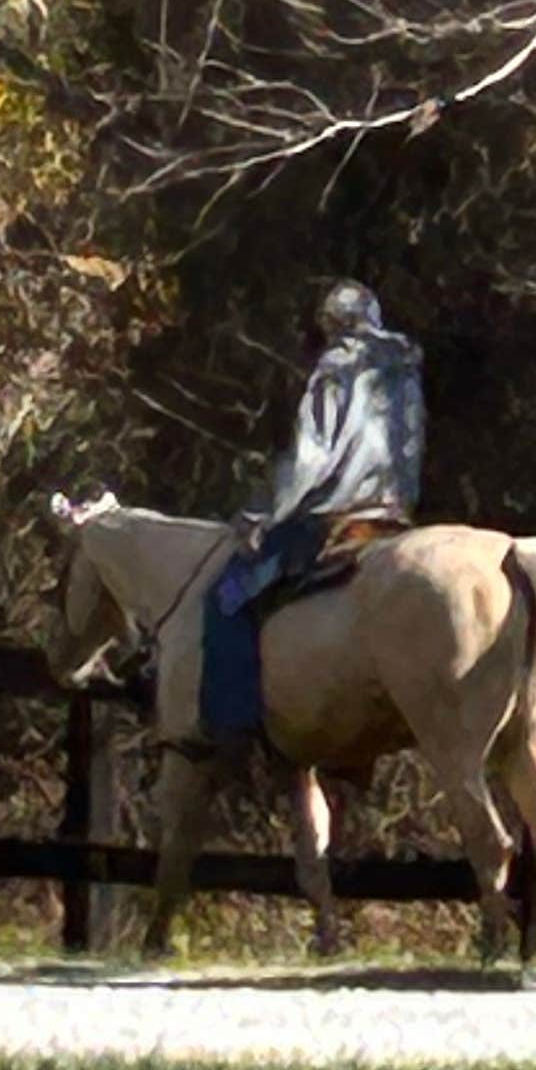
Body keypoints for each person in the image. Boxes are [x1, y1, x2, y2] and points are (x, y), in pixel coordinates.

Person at [200, 282, 426, 738]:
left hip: (333, 517)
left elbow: (311, 455)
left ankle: (233, 731)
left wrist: (263, 514)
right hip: (394, 517)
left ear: (331, 324)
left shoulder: (337, 368)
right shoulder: (405, 370)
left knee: (225, 596)